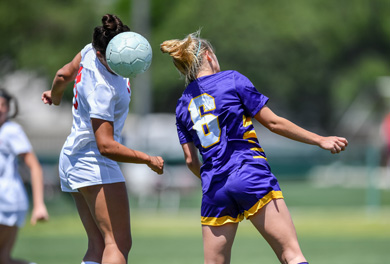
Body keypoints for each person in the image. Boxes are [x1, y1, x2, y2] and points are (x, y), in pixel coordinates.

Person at [160, 31, 348, 264]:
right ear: (208, 56)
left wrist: (214, 178)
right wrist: (320, 139)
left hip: (215, 188)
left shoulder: (181, 105)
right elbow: (273, 122)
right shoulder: (231, 79)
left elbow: (190, 161)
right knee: (292, 254)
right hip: (249, 173)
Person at [41, 14, 164, 264]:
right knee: (117, 243)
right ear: (101, 55)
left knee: (99, 245)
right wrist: (147, 159)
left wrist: (54, 96)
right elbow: (105, 146)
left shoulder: (89, 50)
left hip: (74, 158)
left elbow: (63, 74)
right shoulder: (104, 90)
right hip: (93, 162)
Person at [0, 88, 49, 264]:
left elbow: (34, 167)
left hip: (7, 202)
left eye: (3, 105)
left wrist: (39, 205)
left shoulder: (11, 131)